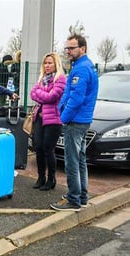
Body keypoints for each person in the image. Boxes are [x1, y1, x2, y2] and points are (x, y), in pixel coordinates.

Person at [51, 34, 99, 211]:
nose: (68, 51)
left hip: (76, 121)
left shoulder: (81, 69)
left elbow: (76, 98)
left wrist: (62, 118)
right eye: (67, 48)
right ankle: (82, 196)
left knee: (72, 161)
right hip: (82, 120)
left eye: (72, 48)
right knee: (80, 160)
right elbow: (69, 93)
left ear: (82, 49)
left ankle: (73, 199)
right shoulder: (84, 66)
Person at [30, 52, 66, 191]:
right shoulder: (42, 78)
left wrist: (41, 94)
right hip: (39, 117)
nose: (47, 66)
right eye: (45, 63)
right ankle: (41, 177)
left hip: (54, 119)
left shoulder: (61, 79)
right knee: (38, 147)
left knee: (48, 149)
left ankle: (51, 179)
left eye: (50, 63)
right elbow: (32, 93)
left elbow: (52, 97)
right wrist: (43, 95)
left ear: (56, 64)